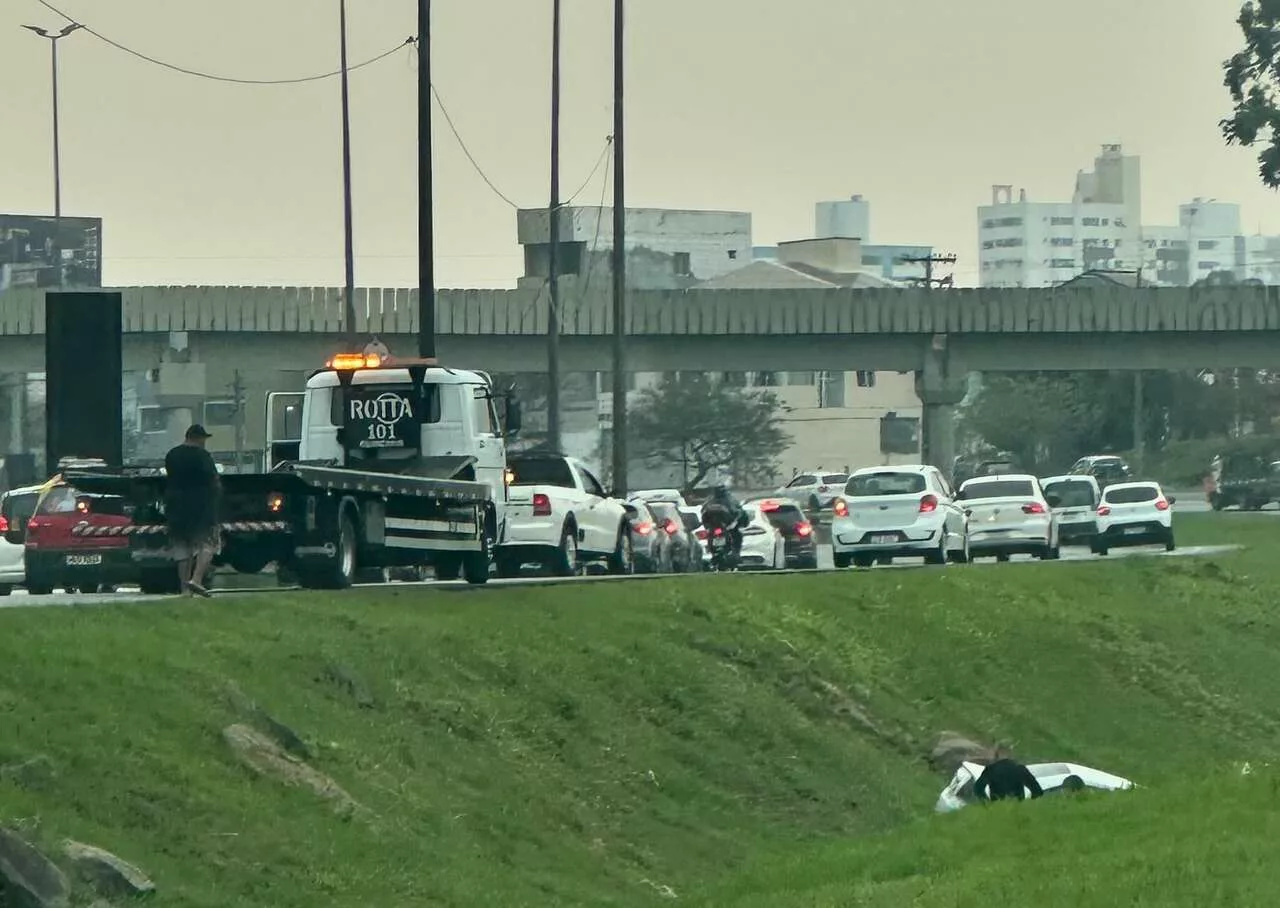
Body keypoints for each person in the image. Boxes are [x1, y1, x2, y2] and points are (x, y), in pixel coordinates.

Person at [164, 425, 221, 598]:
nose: (204, 442)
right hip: (201, 506)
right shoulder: (203, 456)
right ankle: (196, 580)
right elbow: (213, 479)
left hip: (175, 506)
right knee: (208, 544)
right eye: (204, 439)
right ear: (197, 438)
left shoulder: (172, 455)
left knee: (182, 548)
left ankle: (185, 589)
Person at [973, 746, 1044, 803]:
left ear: (997, 755)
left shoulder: (991, 770)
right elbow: (1037, 791)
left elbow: (978, 789)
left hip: (997, 810)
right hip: (1018, 810)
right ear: (1011, 755)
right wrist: (1028, 806)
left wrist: (987, 805)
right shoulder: (1020, 768)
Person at [701, 484, 746, 555]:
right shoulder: (730, 499)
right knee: (737, 535)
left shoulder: (710, 499)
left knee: (736, 534)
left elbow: (703, 511)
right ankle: (736, 553)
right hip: (724, 526)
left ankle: (733, 553)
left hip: (717, 527)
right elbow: (738, 512)